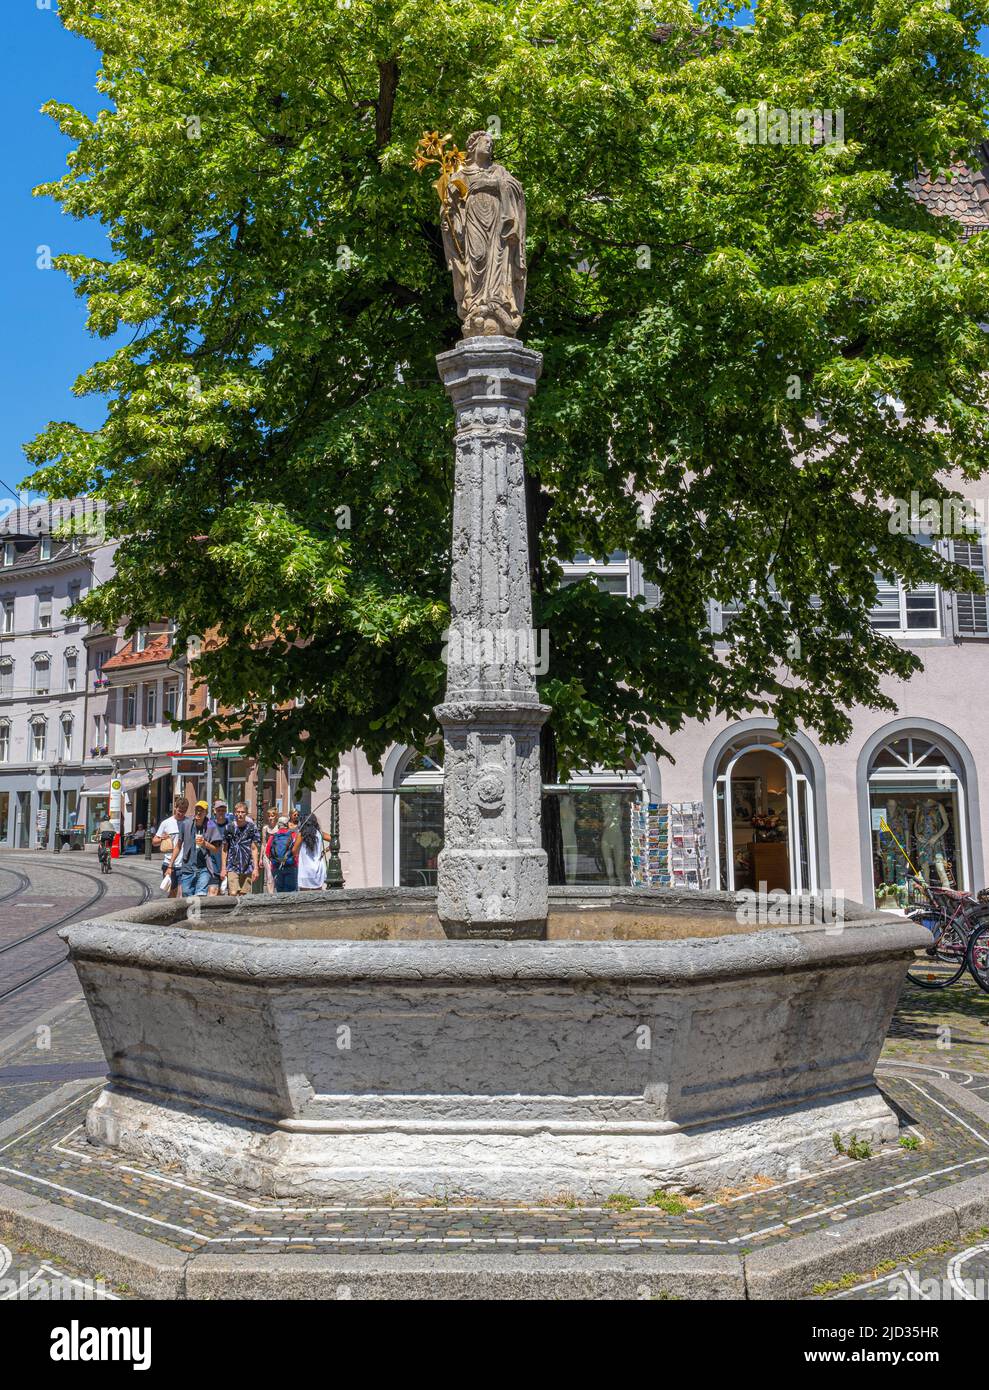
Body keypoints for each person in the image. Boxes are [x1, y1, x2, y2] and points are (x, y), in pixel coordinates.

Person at [169, 800, 222, 898]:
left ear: (206, 813)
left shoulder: (211, 825)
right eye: (197, 809)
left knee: (200, 895)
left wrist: (205, 844)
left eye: (201, 810)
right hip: (188, 867)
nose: (198, 812)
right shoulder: (186, 823)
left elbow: (216, 849)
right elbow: (178, 845)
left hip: (204, 868)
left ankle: (198, 913)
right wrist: (170, 865)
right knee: (186, 894)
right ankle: (190, 913)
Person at [222, 802, 260, 896]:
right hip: (232, 865)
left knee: (243, 894)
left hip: (247, 865)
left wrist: (256, 868)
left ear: (246, 813)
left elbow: (254, 848)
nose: (240, 814)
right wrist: (223, 868)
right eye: (238, 812)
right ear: (235, 813)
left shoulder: (252, 827)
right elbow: (224, 849)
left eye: (242, 812)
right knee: (233, 892)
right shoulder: (229, 827)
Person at [153, 797, 188, 897]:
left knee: (182, 893)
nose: (181, 814)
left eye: (184, 812)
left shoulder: (189, 822)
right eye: (179, 811)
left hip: (184, 864)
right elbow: (154, 842)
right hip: (169, 864)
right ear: (175, 808)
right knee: (173, 893)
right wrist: (162, 839)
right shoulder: (166, 823)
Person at [265, 815, 301, 893]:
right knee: (291, 892)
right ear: (287, 824)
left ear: (278, 824)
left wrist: (275, 860)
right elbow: (296, 851)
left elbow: (267, 852)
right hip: (291, 866)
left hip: (276, 867)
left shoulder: (273, 836)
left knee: (280, 892)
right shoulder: (293, 835)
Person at [296, 813, 332, 891]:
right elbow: (333, 840)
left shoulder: (301, 834)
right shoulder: (320, 833)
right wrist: (324, 852)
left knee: (304, 896)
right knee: (318, 893)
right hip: (318, 868)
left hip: (305, 869)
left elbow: (294, 850)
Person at [209, 799, 231, 895]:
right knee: (213, 891)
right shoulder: (210, 824)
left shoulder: (230, 825)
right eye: (218, 810)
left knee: (230, 893)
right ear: (214, 811)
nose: (221, 813)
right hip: (213, 864)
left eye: (223, 810)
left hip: (229, 864)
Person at [260, 806, 278, 894]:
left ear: (276, 816)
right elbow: (263, 844)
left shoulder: (279, 828)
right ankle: (270, 895)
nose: (270, 818)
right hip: (267, 855)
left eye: (272, 815)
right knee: (269, 876)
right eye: (269, 816)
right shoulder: (265, 828)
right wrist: (260, 858)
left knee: (276, 876)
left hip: (277, 854)